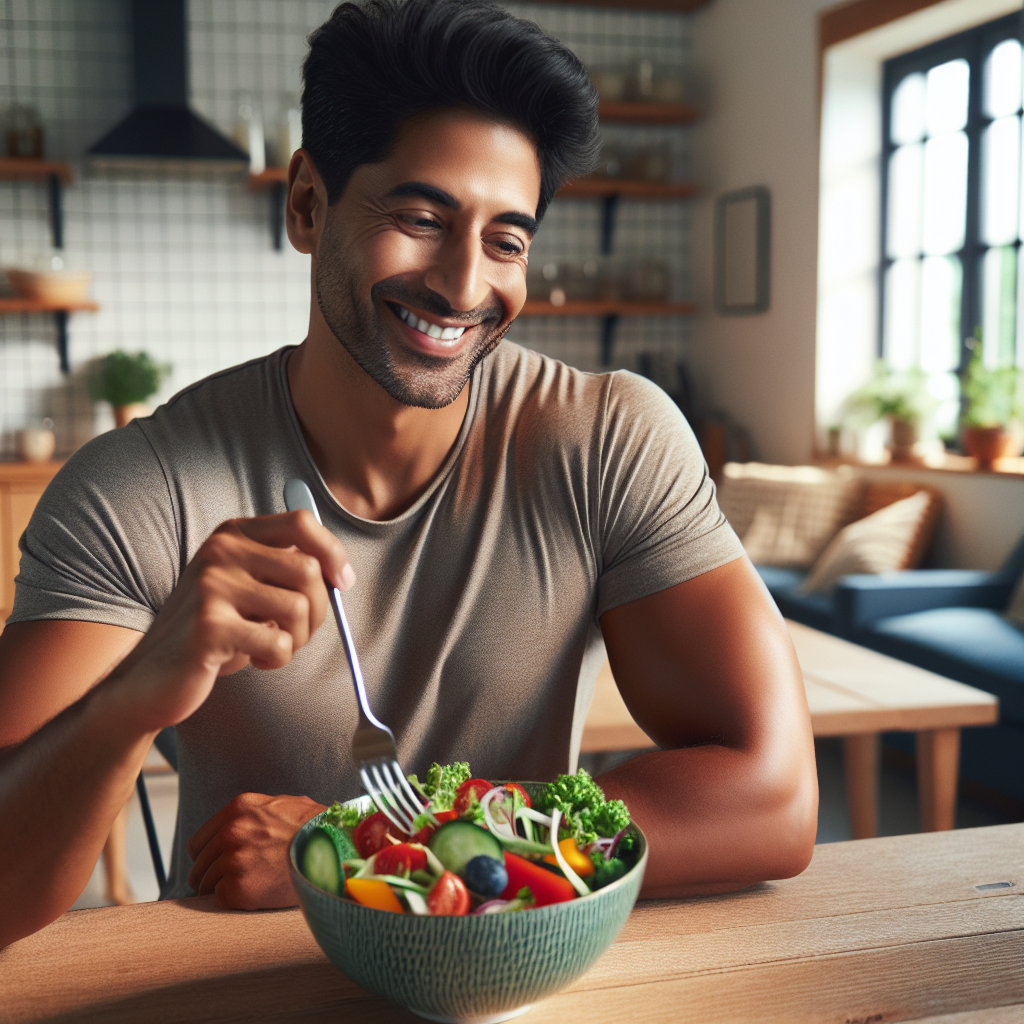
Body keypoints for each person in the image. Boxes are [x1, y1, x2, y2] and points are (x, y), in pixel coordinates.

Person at [0, 0, 817, 948]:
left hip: (524, 984)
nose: (465, 285)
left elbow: (775, 800)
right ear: (308, 204)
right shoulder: (140, 487)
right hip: (247, 992)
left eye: (506, 240)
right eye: (422, 217)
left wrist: (376, 842)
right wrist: (137, 693)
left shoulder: (606, 441)